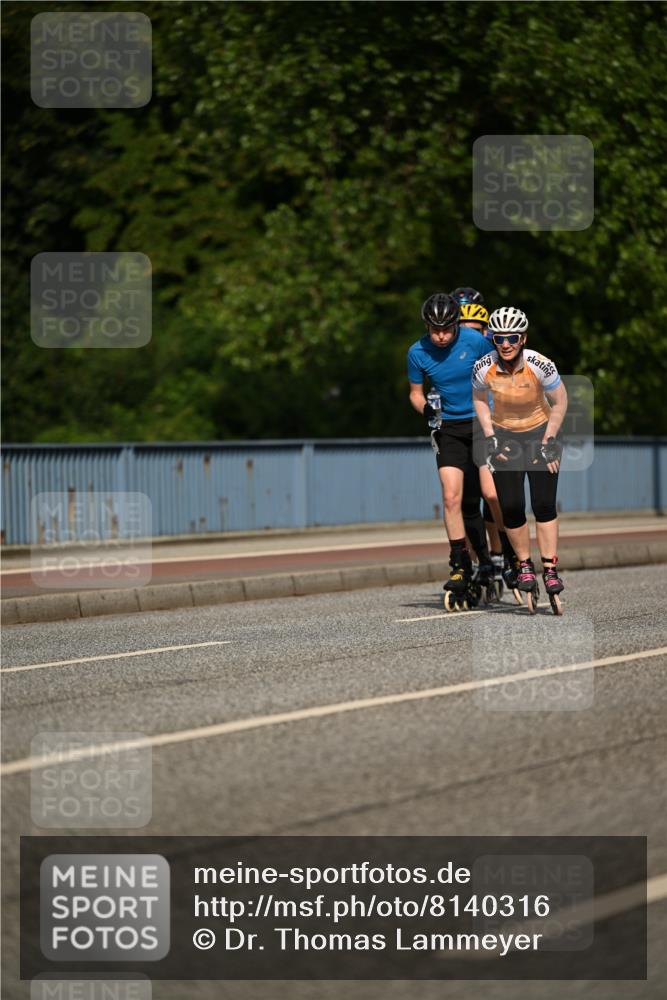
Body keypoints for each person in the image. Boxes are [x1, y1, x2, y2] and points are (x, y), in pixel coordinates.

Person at [472, 306, 568, 609]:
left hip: (541, 431)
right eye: (499, 338)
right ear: (493, 339)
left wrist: (549, 439)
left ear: (523, 337)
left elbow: (561, 400)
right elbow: (478, 400)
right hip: (506, 437)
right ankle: (524, 565)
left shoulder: (540, 364)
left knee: (542, 504)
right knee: (511, 506)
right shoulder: (483, 367)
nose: (506, 343)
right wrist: (490, 436)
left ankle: (550, 569)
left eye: (512, 337)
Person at [407, 292, 495, 606]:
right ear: (427, 325)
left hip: (482, 421)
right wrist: (427, 412)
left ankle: (503, 556)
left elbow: (500, 373)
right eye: (435, 329)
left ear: (457, 324)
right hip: (450, 428)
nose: (441, 335)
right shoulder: (417, 352)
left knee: (491, 494)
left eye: (447, 329)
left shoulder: (475, 341)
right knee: (451, 496)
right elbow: (416, 394)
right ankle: (460, 564)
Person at [458, 300, 517, 593]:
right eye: (463, 329)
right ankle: (475, 561)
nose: (469, 334)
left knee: (491, 494)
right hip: (459, 429)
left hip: (490, 427)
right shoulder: (454, 353)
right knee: (461, 502)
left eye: (476, 330)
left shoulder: (493, 354)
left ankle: (505, 553)